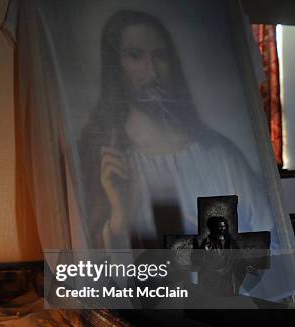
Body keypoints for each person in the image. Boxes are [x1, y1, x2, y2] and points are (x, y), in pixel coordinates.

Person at [78, 10, 274, 250]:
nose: (152, 71)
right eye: (135, 55)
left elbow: (267, 237)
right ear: (115, 66)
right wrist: (119, 216)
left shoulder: (219, 155)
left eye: (160, 56)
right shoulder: (106, 161)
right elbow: (89, 264)